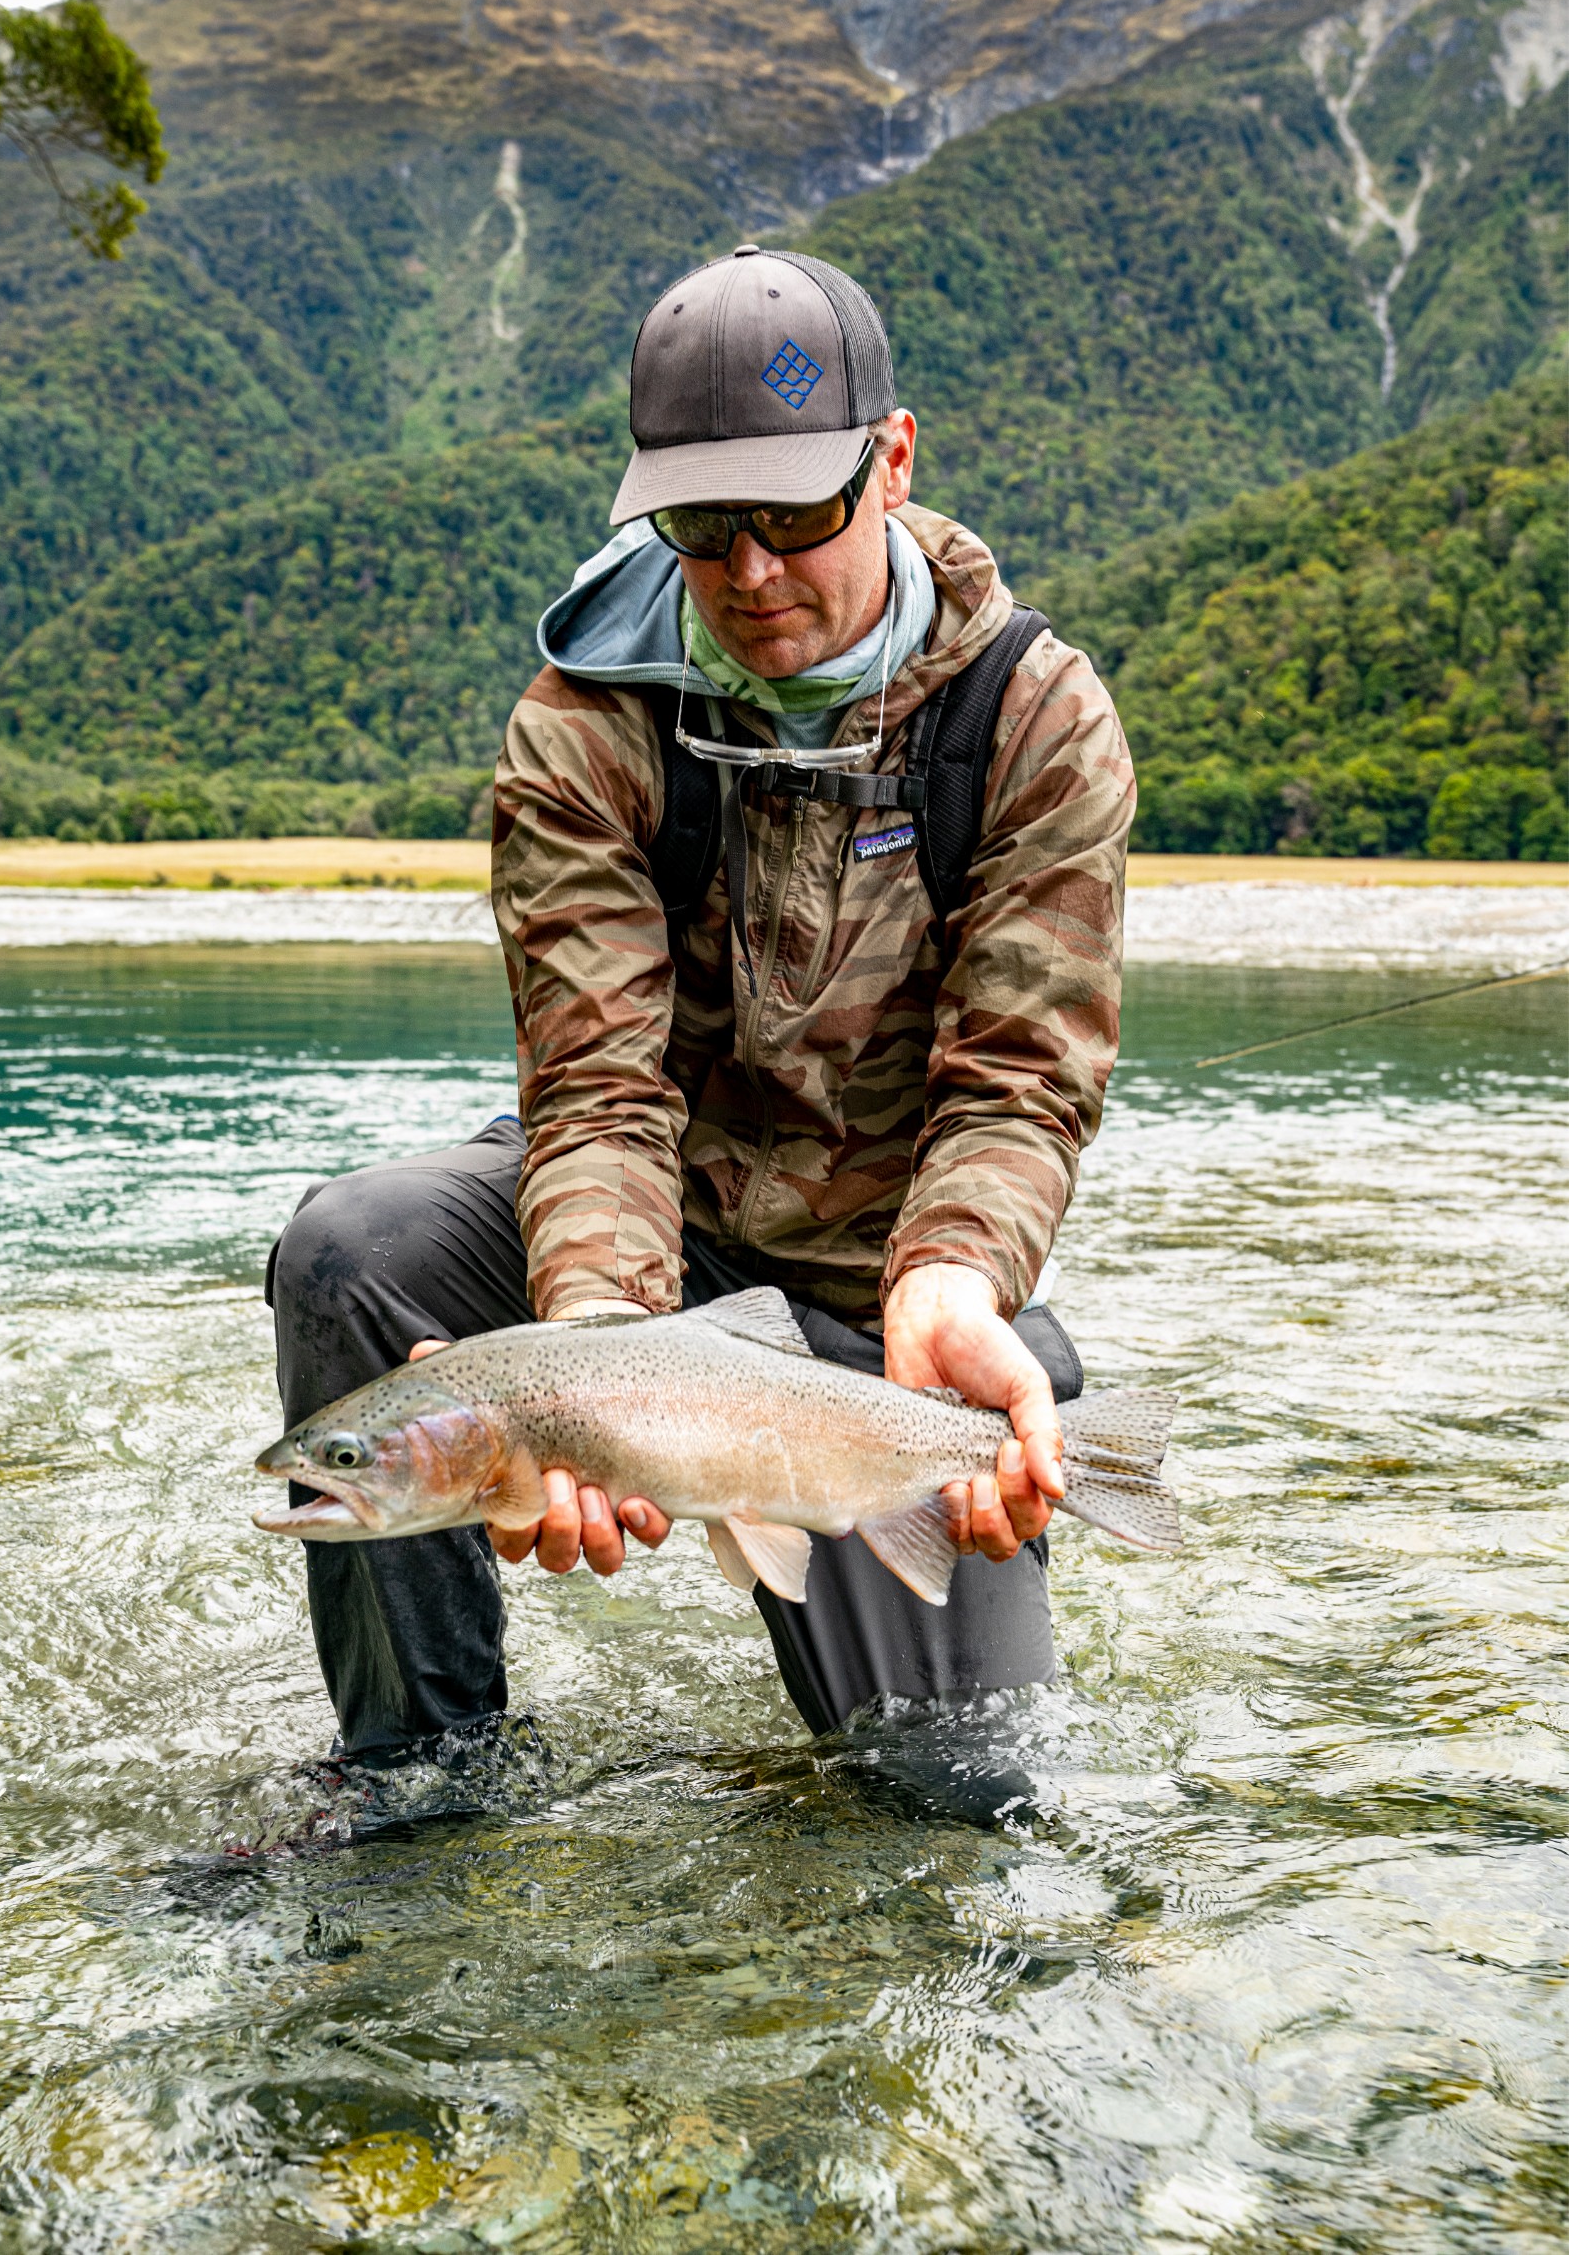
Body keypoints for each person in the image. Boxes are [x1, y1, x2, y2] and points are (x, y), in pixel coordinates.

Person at [267, 244, 1135, 1761]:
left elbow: (1018, 1081)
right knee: (355, 1254)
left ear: (895, 457)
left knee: (958, 1789)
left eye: (796, 511)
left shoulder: (1034, 721)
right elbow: (598, 1091)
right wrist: (589, 1352)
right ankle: (420, 1779)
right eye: (700, 520)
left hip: (884, 1273)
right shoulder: (582, 726)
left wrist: (955, 1278)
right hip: (641, 1230)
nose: (749, 569)